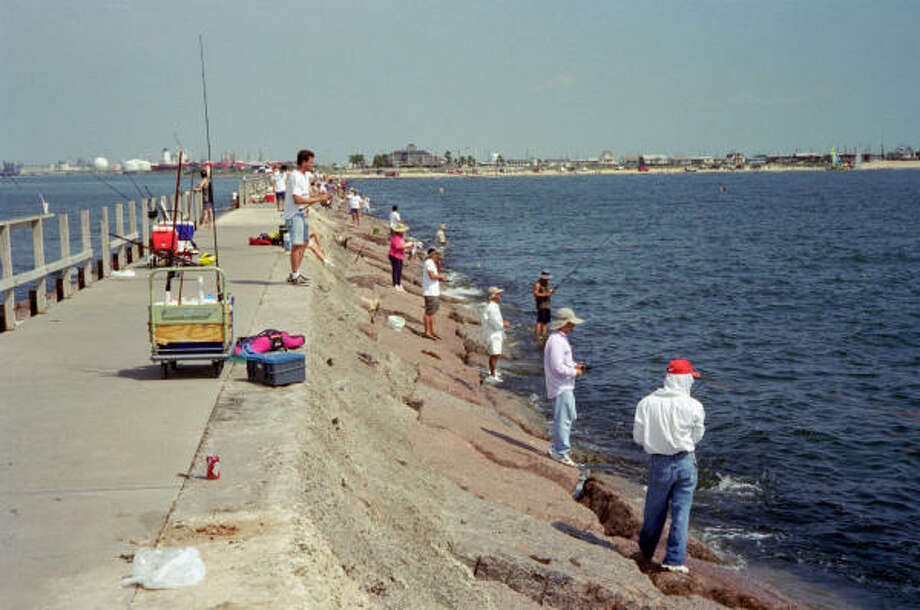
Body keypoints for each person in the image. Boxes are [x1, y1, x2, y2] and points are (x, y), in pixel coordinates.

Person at [633, 359, 706, 574]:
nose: (692, 382)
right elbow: (697, 436)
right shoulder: (695, 406)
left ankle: (646, 552)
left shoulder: (646, 403)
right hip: (686, 462)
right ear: (685, 380)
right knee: (681, 513)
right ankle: (674, 560)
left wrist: (656, 441)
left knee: (654, 511)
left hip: (659, 462)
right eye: (691, 378)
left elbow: (638, 437)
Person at [543, 307, 586, 467]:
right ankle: (560, 452)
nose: (573, 326)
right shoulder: (556, 341)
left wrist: (576, 366)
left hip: (565, 386)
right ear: (564, 323)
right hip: (560, 387)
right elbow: (557, 368)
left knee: (570, 416)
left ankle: (557, 447)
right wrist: (575, 373)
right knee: (564, 419)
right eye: (571, 323)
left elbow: (563, 363)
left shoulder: (560, 339)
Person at [284, 149, 330, 285]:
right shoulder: (295, 176)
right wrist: (317, 199)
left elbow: (306, 197)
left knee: (303, 243)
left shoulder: (304, 177)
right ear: (303, 162)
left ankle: (296, 272)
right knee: (297, 245)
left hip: (301, 214)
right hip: (294, 215)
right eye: (311, 162)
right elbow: (297, 199)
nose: (312, 165)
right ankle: (294, 275)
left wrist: (320, 197)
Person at [482, 286, 510, 382]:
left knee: (495, 354)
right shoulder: (492, 307)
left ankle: (492, 371)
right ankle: (492, 374)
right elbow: (494, 322)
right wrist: (503, 324)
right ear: (493, 296)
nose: (499, 296)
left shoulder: (493, 306)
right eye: (497, 294)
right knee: (495, 354)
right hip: (494, 334)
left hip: (495, 333)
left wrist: (501, 324)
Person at [422, 248, 448, 340]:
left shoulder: (432, 263)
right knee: (429, 312)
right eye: (437, 254)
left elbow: (435, 275)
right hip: (430, 292)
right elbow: (432, 276)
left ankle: (431, 331)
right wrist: (441, 277)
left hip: (433, 291)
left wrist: (439, 265)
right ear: (433, 254)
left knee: (432, 313)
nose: (438, 256)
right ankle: (427, 332)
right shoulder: (429, 262)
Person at [388, 224, 413, 291]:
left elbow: (401, 247)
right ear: (399, 231)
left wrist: (408, 247)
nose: (404, 232)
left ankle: (399, 284)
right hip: (394, 255)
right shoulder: (396, 238)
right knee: (396, 270)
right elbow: (397, 247)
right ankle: (395, 284)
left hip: (399, 255)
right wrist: (407, 246)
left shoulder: (401, 238)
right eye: (402, 231)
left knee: (399, 270)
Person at [532, 270, 555, 341]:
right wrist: (545, 294)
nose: (547, 279)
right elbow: (535, 294)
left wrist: (551, 292)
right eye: (546, 278)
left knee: (545, 322)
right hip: (541, 305)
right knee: (539, 321)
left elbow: (547, 292)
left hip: (547, 305)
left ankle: (544, 337)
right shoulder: (537, 284)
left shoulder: (547, 283)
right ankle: (537, 337)